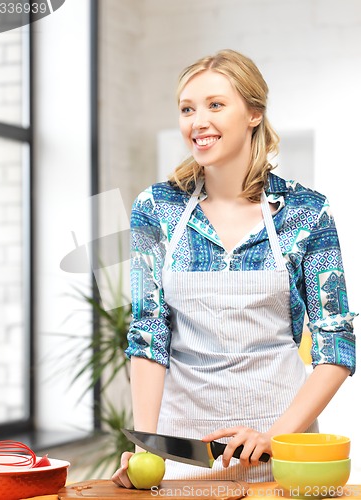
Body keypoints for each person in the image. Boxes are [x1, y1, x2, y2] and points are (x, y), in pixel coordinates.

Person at [112, 49, 356, 486]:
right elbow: (149, 331)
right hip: (185, 450)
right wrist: (145, 449)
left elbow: (335, 342)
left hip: (283, 447)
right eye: (188, 109)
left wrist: (273, 437)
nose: (197, 121)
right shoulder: (157, 208)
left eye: (215, 105)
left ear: (254, 114)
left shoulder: (306, 212)